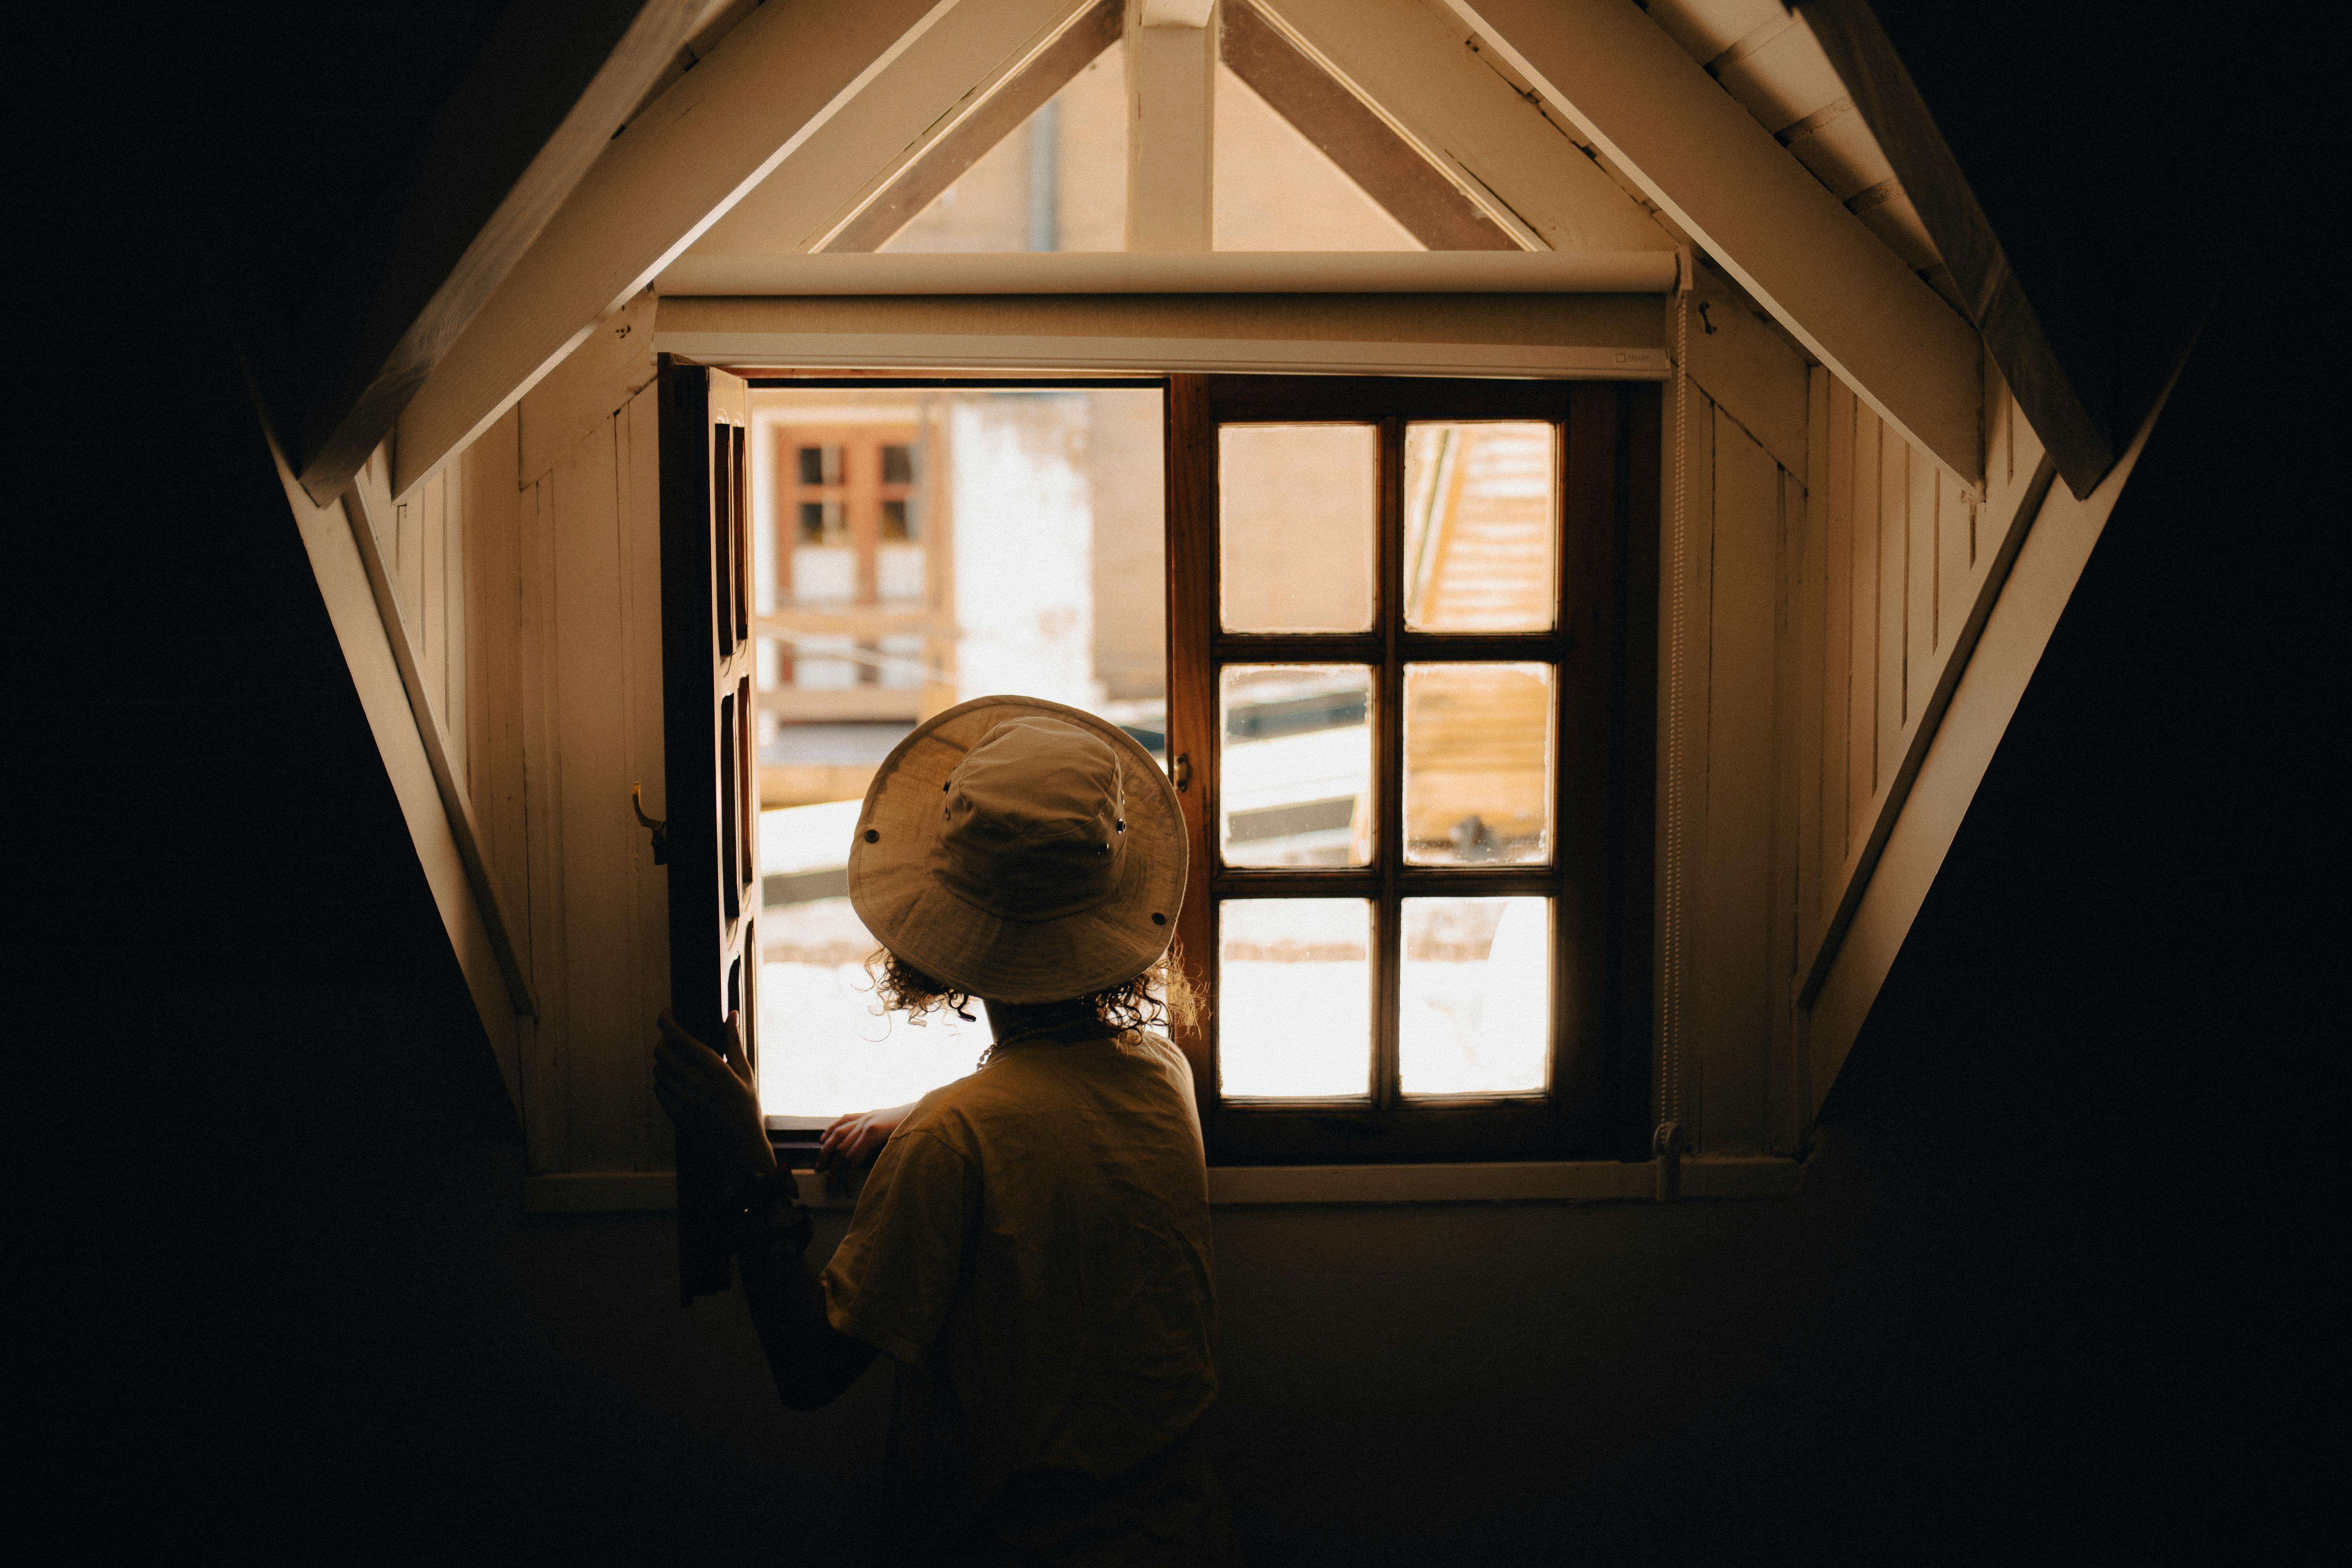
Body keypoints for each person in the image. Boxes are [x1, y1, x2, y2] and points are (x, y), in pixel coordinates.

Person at [653, 696, 1238, 1565]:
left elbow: (810, 1370)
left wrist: (746, 1155)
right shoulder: (1162, 1074)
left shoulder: (957, 1141)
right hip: (1185, 1532)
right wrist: (930, 1111)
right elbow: (1054, 1112)